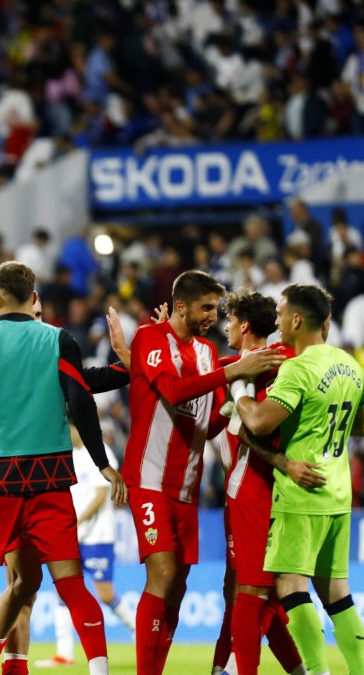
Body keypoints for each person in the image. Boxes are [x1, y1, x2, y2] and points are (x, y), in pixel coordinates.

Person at [0, 261, 125, 675]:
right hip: (48, 478)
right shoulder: (58, 340)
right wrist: (102, 464)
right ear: (33, 296)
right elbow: (80, 397)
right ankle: (99, 671)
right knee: (70, 584)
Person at [121, 270, 282, 675]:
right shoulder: (150, 338)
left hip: (187, 488)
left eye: (216, 308)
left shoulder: (209, 353)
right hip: (149, 479)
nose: (213, 315)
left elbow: (205, 423)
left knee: (177, 586)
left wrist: (231, 407)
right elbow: (173, 391)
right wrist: (234, 371)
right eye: (206, 307)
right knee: (163, 571)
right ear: (180, 306)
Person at [236, 284, 364, 675]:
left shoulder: (297, 369)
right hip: (338, 491)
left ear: (298, 320)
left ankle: (318, 672)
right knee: (336, 590)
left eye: (282, 314)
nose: (279, 321)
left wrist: (239, 389)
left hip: (301, 492)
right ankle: (361, 672)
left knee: (290, 585)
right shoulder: (349, 363)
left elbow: (259, 421)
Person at [209, 290, 303, 675]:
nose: (225, 327)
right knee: (248, 591)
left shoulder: (272, 365)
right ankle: (228, 667)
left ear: (244, 325)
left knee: (253, 593)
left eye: (229, 320)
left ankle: (232, 669)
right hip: (251, 493)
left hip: (256, 487)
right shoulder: (234, 366)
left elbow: (249, 425)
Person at [36, 425, 134, 668]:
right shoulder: (71, 455)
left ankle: (138, 630)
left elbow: (102, 495)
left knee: (104, 593)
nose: (67, 434)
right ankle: (64, 653)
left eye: (69, 429)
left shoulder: (101, 453)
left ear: (79, 428)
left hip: (97, 536)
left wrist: (76, 520)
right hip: (74, 536)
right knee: (63, 590)